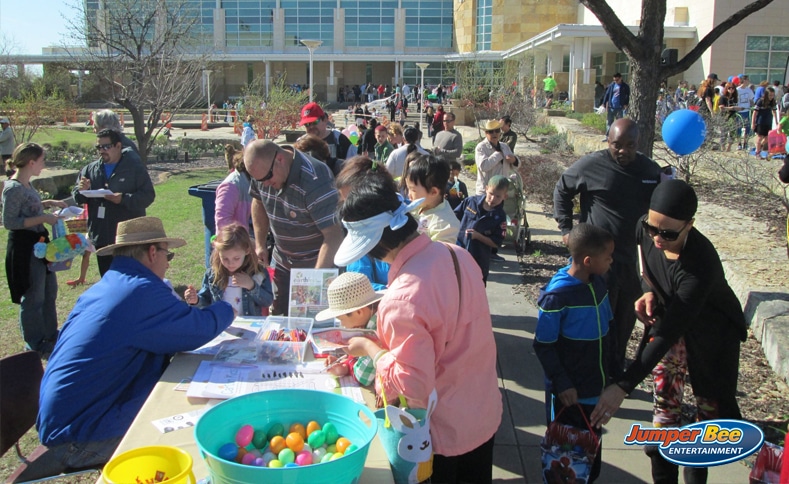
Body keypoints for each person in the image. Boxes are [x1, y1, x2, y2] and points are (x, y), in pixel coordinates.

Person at [29, 216, 235, 479]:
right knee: (196, 431)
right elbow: (196, 328)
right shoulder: (140, 290)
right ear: (152, 253)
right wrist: (228, 305)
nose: (167, 264)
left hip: (70, 423)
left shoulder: (112, 283)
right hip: (80, 435)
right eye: (167, 256)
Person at [336, 174, 502, 483]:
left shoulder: (401, 299)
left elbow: (413, 388)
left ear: (374, 245)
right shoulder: (458, 255)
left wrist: (372, 350)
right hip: (481, 412)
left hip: (440, 435)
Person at [590, 180, 747, 484]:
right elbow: (646, 267)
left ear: (690, 225)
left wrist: (622, 385)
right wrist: (648, 291)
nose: (657, 239)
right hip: (672, 324)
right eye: (652, 228)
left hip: (712, 336)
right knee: (664, 416)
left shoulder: (700, 265)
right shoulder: (644, 229)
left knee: (705, 423)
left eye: (669, 233)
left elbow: (665, 335)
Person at [553, 118, 662, 379]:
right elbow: (562, 189)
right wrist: (567, 229)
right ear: (607, 142)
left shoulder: (650, 171)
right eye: (616, 145)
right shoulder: (592, 165)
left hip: (633, 260)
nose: (623, 151)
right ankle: (593, 370)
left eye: (629, 145)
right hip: (599, 259)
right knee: (599, 317)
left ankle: (615, 368)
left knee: (625, 319)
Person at [534, 223, 614, 484]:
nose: (611, 262)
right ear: (589, 261)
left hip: (596, 391)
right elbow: (543, 345)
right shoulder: (558, 296)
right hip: (571, 395)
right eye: (608, 257)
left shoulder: (598, 283)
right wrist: (562, 383)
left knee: (591, 459)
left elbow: (607, 333)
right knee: (566, 462)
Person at [245, 140, 342, 315]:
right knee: (281, 320)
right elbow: (258, 201)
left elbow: (333, 234)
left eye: (267, 178)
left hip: (315, 263)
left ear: (280, 159)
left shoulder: (315, 179)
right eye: (259, 180)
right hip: (282, 261)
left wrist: (315, 280)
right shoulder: (262, 171)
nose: (265, 184)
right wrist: (260, 244)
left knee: (314, 321)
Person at [2, 143, 67, 356]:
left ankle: (50, 334)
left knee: (49, 291)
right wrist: (44, 218)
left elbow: (29, 206)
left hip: (40, 245)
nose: (43, 164)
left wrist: (48, 203)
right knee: (34, 296)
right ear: (31, 162)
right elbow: (10, 221)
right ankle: (35, 342)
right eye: (41, 160)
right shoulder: (12, 188)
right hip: (25, 248)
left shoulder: (26, 185)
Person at [72, 129, 155, 276]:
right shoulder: (90, 170)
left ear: (118, 146)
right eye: (99, 147)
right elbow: (78, 198)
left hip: (128, 236)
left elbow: (148, 196)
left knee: (131, 278)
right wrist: (81, 190)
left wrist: (123, 199)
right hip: (102, 235)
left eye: (106, 147)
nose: (101, 151)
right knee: (108, 277)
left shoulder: (134, 168)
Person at [184, 223, 273, 316]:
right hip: (222, 325)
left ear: (247, 250)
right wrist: (195, 300)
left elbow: (267, 301)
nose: (231, 263)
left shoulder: (257, 272)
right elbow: (206, 301)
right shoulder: (213, 274)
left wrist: (251, 285)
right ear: (218, 253)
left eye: (236, 258)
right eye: (225, 258)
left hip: (250, 326)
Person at [316, 272, 384, 386]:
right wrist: (345, 367)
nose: (343, 325)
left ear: (359, 312)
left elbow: (363, 377)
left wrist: (350, 364)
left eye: (341, 319)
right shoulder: (370, 321)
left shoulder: (378, 329)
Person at [454, 175, 508, 285]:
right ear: (486, 188)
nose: (493, 199)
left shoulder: (500, 217)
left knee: (475, 289)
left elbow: (496, 243)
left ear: (505, 196)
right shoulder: (470, 202)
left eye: (498, 196)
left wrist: (478, 236)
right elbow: (453, 218)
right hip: (458, 253)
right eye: (491, 194)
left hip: (479, 259)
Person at [406, 154, 460, 244]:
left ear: (433, 192)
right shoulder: (420, 205)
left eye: (413, 190)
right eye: (408, 188)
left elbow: (437, 256)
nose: (409, 194)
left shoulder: (445, 226)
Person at [299, 102, 357, 176]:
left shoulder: (340, 140)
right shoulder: (301, 144)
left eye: (314, 122)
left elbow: (354, 168)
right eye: (307, 124)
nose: (310, 127)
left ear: (325, 120)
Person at [474, 119, 518, 195]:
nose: (494, 134)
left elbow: (515, 166)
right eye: (491, 131)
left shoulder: (504, 146)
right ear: (486, 133)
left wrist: (514, 160)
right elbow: (483, 166)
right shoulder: (481, 147)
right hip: (486, 192)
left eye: (497, 131)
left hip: (502, 191)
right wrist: (498, 154)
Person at [601, 73, 630, 142]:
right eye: (614, 80)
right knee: (609, 122)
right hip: (611, 107)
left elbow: (627, 96)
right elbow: (607, 94)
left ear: (621, 78)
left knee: (619, 123)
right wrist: (604, 104)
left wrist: (625, 104)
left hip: (620, 107)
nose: (616, 81)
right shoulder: (612, 85)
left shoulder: (625, 86)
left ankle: (618, 137)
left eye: (617, 80)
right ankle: (608, 137)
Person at [752, 86, 779, 159]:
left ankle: (759, 147)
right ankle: (757, 153)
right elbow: (755, 112)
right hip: (760, 121)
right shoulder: (760, 101)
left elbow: (774, 112)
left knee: (767, 138)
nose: (771, 97)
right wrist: (753, 123)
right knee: (759, 137)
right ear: (766, 94)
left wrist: (776, 122)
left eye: (773, 95)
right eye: (770, 95)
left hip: (768, 122)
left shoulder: (772, 102)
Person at [736, 75, 755, 151]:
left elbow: (751, 100)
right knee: (738, 128)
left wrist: (754, 107)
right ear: (743, 80)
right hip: (739, 111)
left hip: (747, 111)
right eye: (747, 80)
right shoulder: (737, 90)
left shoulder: (749, 90)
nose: (748, 81)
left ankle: (745, 144)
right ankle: (739, 144)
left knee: (747, 128)